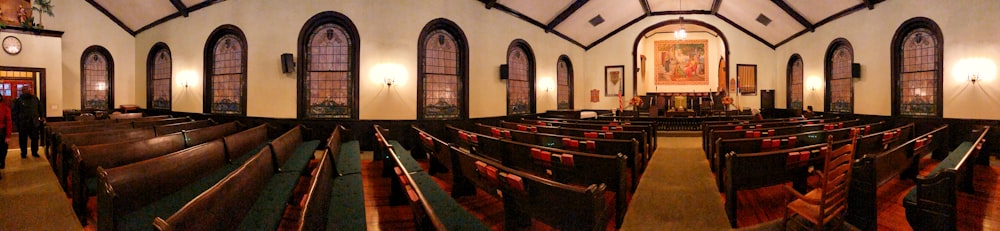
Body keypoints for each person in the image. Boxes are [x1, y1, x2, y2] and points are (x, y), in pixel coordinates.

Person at [13, 86, 43, 158]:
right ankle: (23, 153)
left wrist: (42, 117)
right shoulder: (18, 100)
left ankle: (34, 152)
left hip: (34, 122)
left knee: (35, 138)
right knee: (23, 139)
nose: (27, 91)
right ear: (22, 91)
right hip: (23, 123)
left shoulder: (35, 99)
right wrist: (17, 122)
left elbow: (40, 108)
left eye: (28, 89)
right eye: (25, 90)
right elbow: (14, 112)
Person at [0, 96, 11, 170]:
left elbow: (8, 122)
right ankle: (2, 161)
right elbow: (8, 122)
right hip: (2, 131)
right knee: (3, 149)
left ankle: (2, 161)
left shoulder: (5, 108)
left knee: (3, 149)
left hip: (2, 131)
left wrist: (8, 135)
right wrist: (8, 135)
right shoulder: (5, 107)